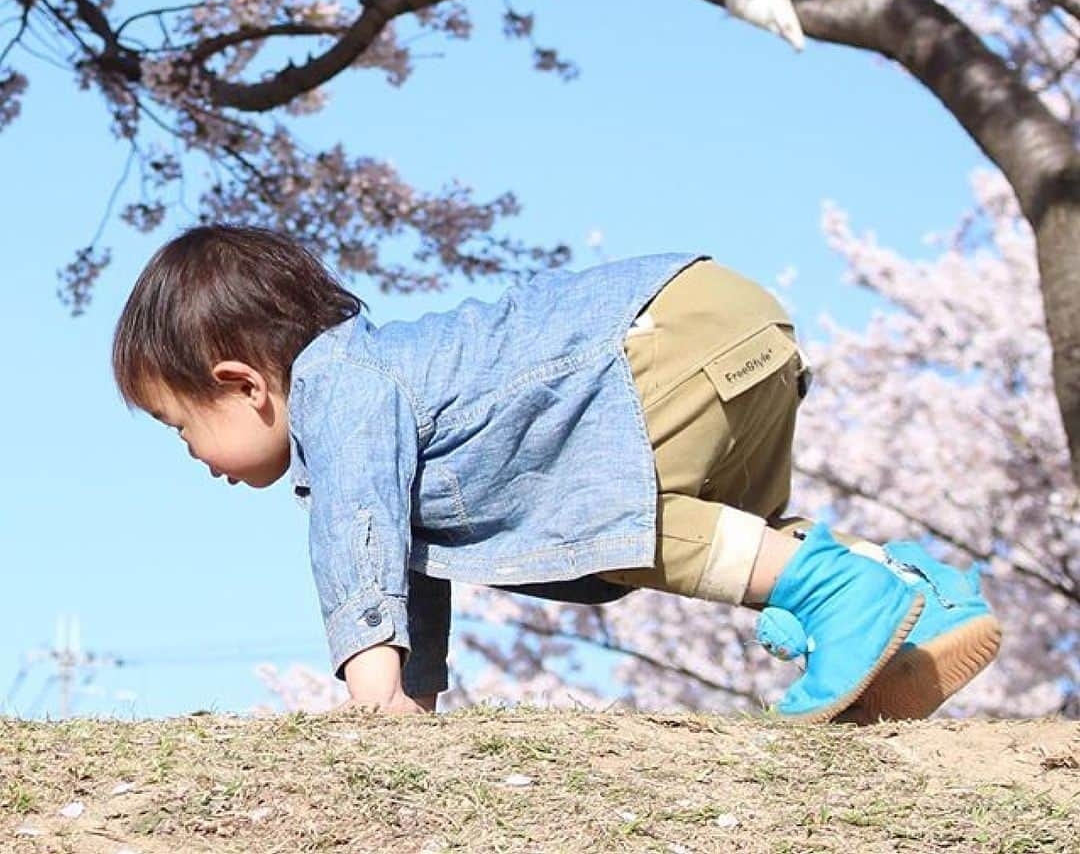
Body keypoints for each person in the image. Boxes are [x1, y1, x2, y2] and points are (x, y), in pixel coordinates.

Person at [112, 226, 1001, 721]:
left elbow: (361, 546)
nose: (191, 455)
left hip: (658, 342)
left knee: (600, 524)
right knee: (695, 530)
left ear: (242, 384)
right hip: (728, 325)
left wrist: (374, 705)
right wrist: (414, 705)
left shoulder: (335, 387)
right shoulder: (379, 389)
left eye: (180, 425)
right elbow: (410, 565)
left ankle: (844, 594)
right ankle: (915, 591)